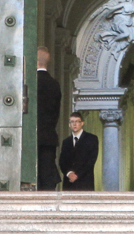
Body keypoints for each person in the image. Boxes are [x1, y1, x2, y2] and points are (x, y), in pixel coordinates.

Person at [35, 46, 63, 191]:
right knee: (46, 177)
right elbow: (55, 113)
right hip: (48, 137)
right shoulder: (54, 85)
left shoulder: (30, 83)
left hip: (30, 137)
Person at [58, 112, 98, 191]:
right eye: (72, 122)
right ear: (69, 124)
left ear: (82, 123)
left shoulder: (91, 138)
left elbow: (91, 160)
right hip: (68, 184)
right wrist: (69, 174)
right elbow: (62, 161)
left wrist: (77, 175)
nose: (74, 124)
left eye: (77, 121)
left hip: (85, 183)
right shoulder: (66, 141)